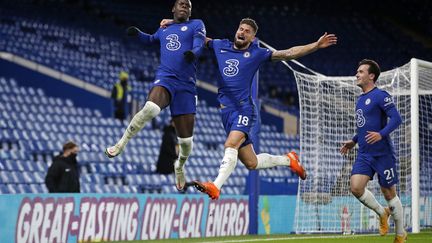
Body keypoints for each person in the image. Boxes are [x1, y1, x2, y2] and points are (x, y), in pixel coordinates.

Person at [161, 18, 336, 199]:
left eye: (247, 31)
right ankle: (288, 160)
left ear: (252, 38)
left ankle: (215, 185)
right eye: (240, 29)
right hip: (226, 113)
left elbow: (287, 53)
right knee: (251, 163)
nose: (242, 32)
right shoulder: (220, 45)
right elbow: (196, 35)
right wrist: (175, 24)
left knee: (230, 144)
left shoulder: (256, 53)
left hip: (243, 109)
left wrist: (316, 45)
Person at [105, 0, 206, 192]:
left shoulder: (196, 24)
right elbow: (151, 39)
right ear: (173, 9)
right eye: (181, 4)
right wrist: (138, 34)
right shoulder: (164, 29)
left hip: (186, 86)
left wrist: (193, 53)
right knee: (150, 108)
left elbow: (199, 44)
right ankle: (121, 143)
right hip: (166, 78)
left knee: (186, 143)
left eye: (188, 5)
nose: (184, 6)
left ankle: (180, 166)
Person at [340, 59, 406, 243]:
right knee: (355, 187)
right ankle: (381, 213)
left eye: (360, 71)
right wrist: (353, 141)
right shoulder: (360, 100)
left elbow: (396, 118)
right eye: (357, 71)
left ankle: (400, 235)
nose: (357, 74)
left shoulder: (380, 95)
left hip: (382, 153)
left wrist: (381, 134)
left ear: (371, 76)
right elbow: (364, 126)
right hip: (364, 153)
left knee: (389, 193)